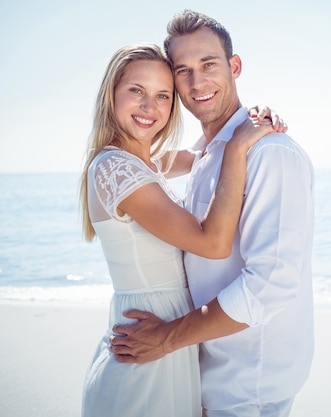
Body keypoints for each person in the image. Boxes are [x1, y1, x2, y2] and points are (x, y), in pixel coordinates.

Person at [109, 10, 315, 417]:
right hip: (205, 381)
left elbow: (270, 283)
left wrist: (168, 338)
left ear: (234, 66)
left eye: (209, 65)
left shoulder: (269, 153)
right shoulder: (206, 156)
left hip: (246, 387)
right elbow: (142, 165)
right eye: (182, 71)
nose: (197, 83)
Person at [79, 43, 285, 417]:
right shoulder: (116, 169)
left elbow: (201, 151)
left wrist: (250, 118)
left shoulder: (143, 163)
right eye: (136, 91)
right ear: (111, 94)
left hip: (166, 333)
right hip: (147, 340)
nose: (150, 107)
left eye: (163, 95)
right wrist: (239, 147)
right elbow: (214, 242)